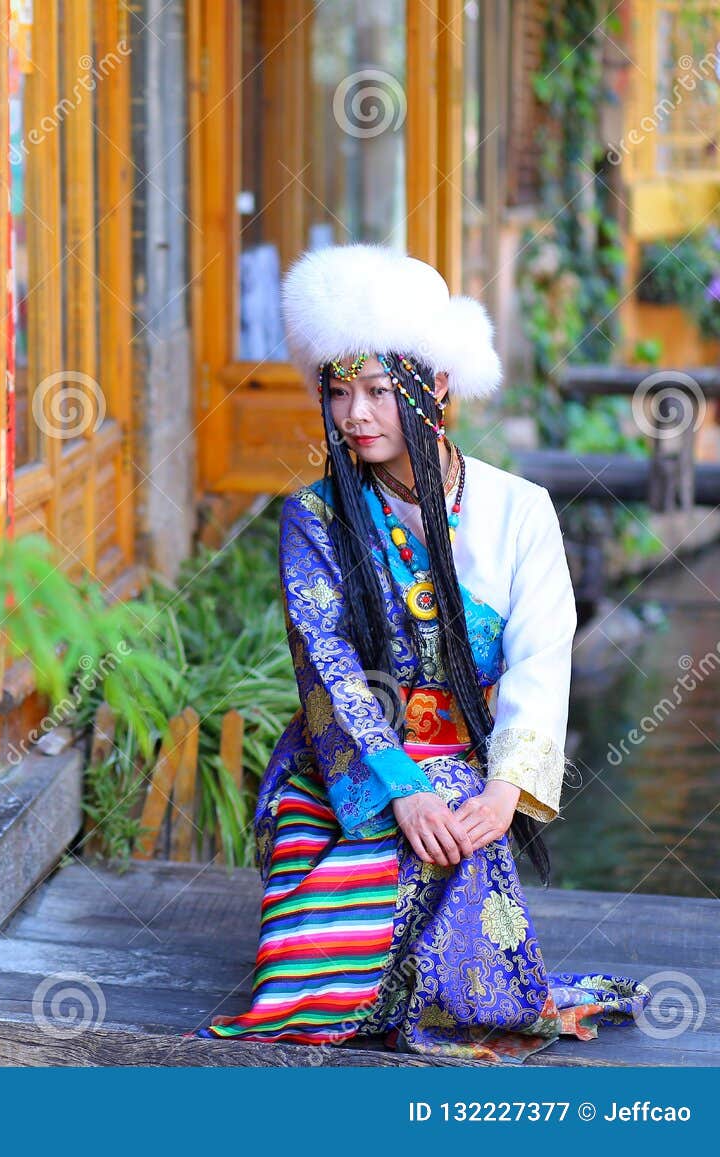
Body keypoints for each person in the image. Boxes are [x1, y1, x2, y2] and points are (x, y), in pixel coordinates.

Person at [194, 243, 650, 1063]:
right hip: (349, 769)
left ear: (434, 384)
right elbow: (326, 666)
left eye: (376, 390)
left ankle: (437, 985)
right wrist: (398, 786)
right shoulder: (314, 517)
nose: (354, 414)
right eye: (338, 392)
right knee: (300, 980)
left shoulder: (521, 510)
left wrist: (505, 788)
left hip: (468, 762)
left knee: (453, 836)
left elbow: (544, 657)